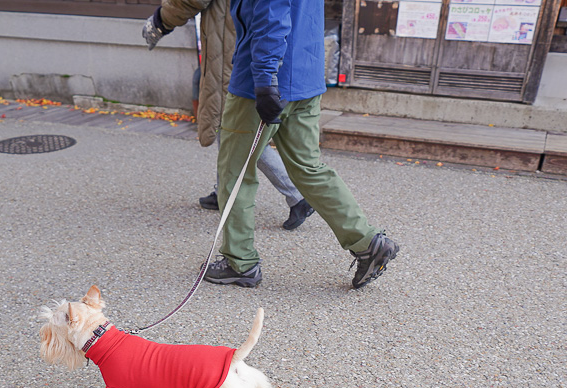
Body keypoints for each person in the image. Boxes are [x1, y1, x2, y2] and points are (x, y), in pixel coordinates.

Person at [201, 0, 400, 289]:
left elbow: (271, 15)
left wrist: (265, 78)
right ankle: (368, 241)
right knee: (308, 167)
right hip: (305, 76)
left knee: (236, 172)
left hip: (262, 83)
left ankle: (239, 262)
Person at [142, 0, 316, 231]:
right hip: (234, 37)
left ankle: (297, 196)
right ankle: (222, 188)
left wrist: (160, 20)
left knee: (235, 127)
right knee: (224, 120)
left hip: (232, 43)